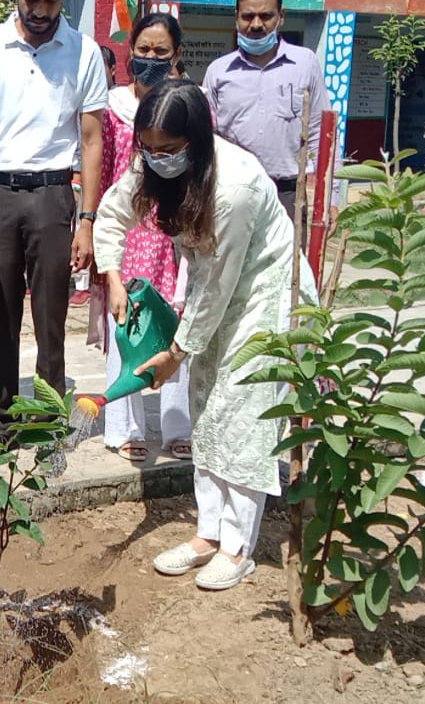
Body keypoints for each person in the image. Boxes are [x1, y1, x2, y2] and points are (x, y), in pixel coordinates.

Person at [95, 79, 313, 591]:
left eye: (169, 150)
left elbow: (216, 287)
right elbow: (111, 214)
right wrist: (113, 276)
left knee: (242, 417)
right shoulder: (151, 161)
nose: (157, 159)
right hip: (216, 292)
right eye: (149, 149)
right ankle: (208, 534)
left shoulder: (233, 186)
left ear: (197, 139)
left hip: (265, 298)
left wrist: (174, 352)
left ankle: (238, 548)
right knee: (206, 409)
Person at [0, 0, 107, 435]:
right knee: (2, 312)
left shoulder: (83, 52)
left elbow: (91, 140)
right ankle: (4, 413)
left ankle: (47, 415)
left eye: (52, 0)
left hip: (53, 196)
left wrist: (86, 220)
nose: (41, 10)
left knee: (52, 314)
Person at [97, 13, 192, 463]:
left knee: (178, 318)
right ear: (129, 50)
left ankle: (178, 424)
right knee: (128, 325)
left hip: (172, 229)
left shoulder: (184, 106)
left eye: (161, 52)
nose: (150, 59)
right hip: (125, 227)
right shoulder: (111, 105)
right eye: (143, 50)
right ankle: (126, 425)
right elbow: (103, 167)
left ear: (175, 57)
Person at [202, 0, 330, 222]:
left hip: (288, 195)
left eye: (266, 16)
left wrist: (329, 199)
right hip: (231, 192)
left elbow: (320, 133)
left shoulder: (306, 64)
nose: (256, 24)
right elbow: (207, 137)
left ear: (281, 16)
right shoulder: (218, 72)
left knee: (289, 261)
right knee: (232, 260)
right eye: (248, 16)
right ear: (236, 17)